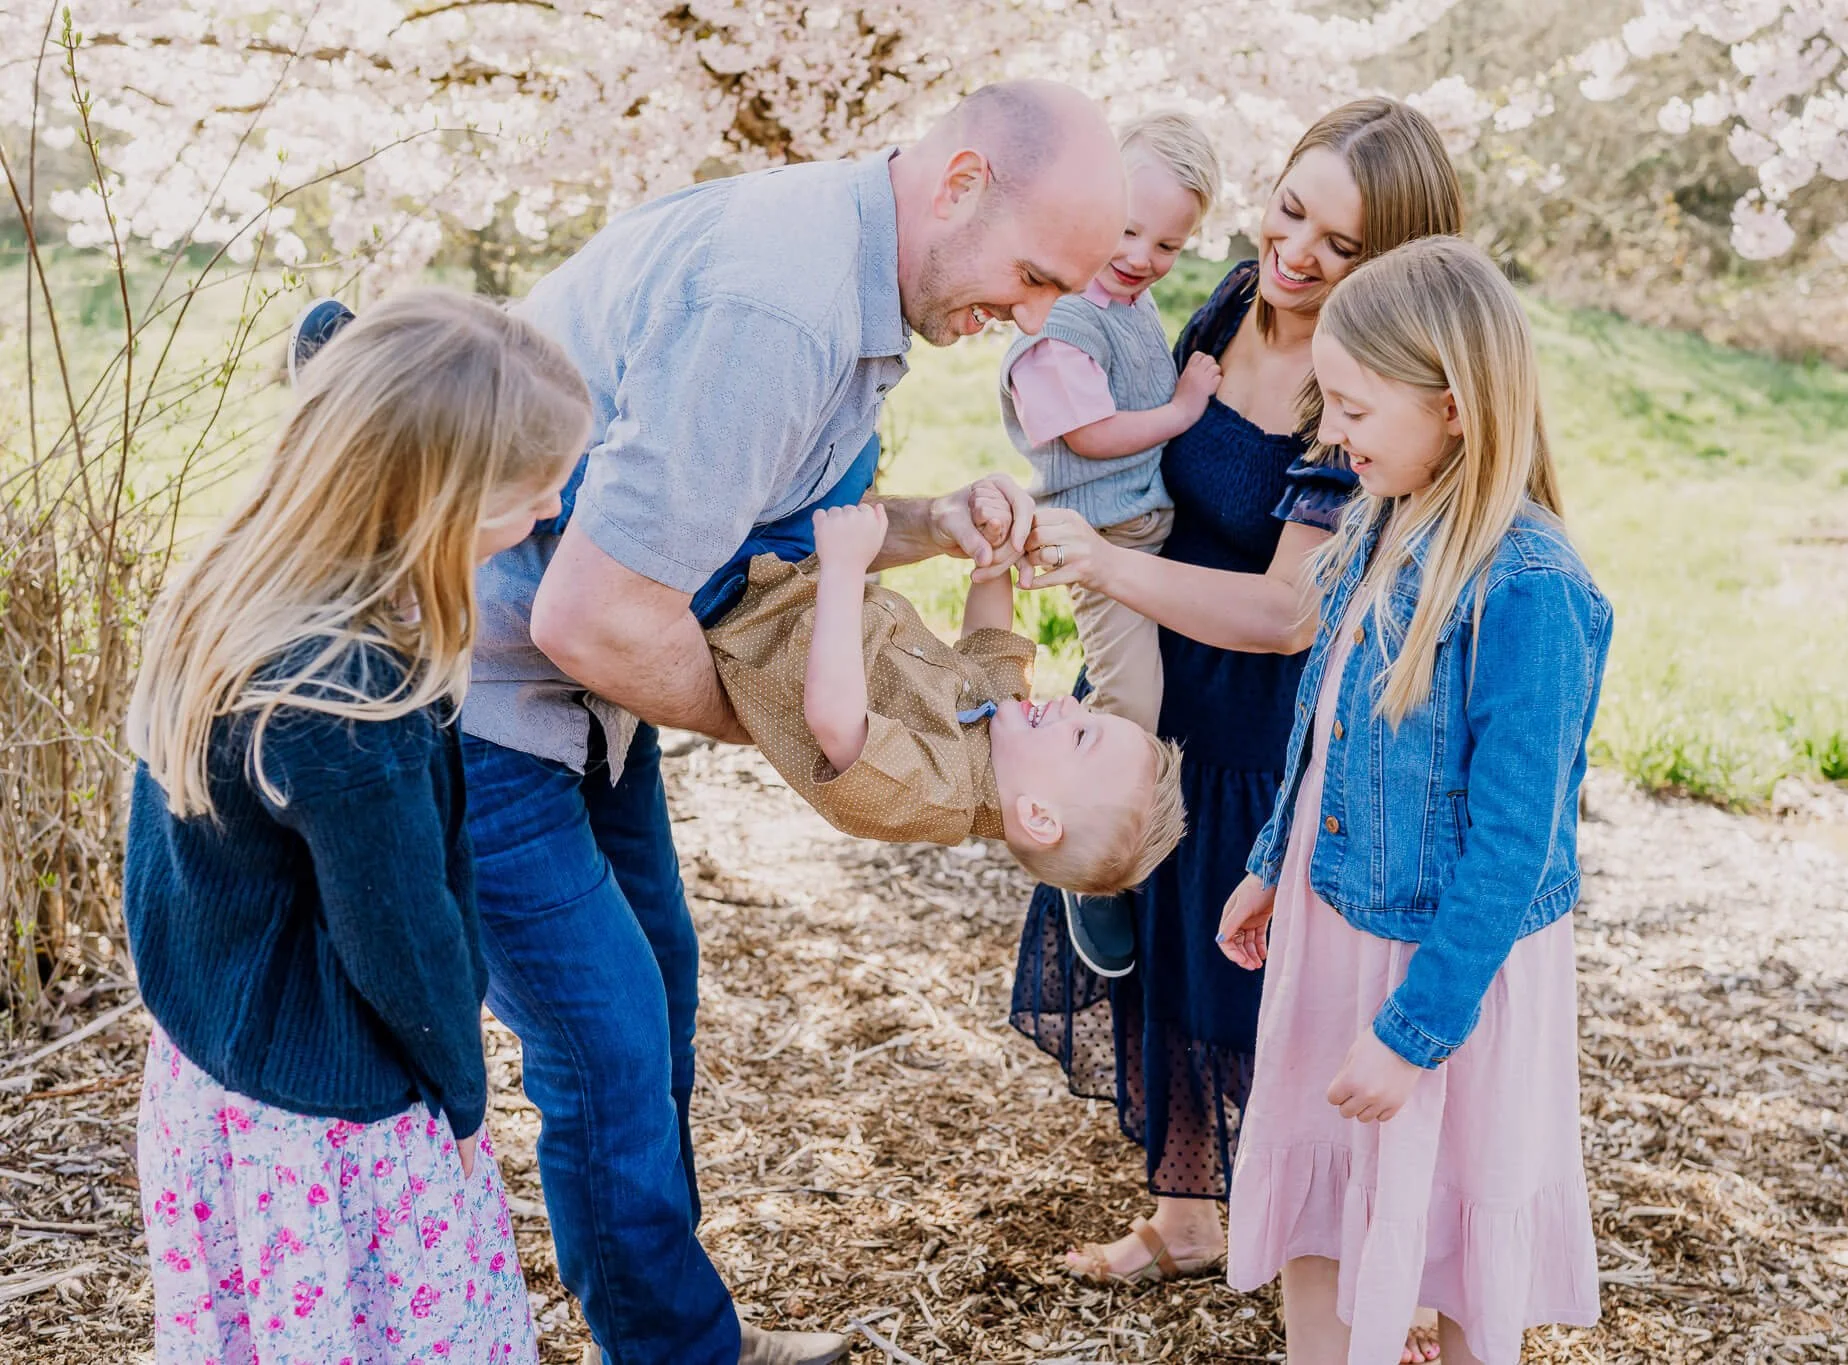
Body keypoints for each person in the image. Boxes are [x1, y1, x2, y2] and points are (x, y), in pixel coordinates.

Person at [453, 80, 1128, 1365]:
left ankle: (672, 1332)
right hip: (484, 695)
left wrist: (930, 529)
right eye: (1034, 277)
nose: (1028, 323)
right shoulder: (778, 308)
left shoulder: (853, 274)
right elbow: (592, 622)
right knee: (604, 1048)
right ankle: (678, 1354)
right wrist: (815, 736)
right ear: (961, 181)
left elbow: (761, 534)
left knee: (657, 997)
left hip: (583, 696)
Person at [1010, 98, 1464, 1362]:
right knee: (1158, 958)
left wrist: (1097, 568)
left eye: (1344, 243)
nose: (1301, 252)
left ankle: (1386, 1270)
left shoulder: (1355, 390)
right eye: (1292, 209)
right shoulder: (1218, 303)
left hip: (1269, 726)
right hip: (1165, 682)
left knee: (1275, 1005)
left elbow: (1281, 613)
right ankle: (1185, 1217)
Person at [125, 291, 589, 1365]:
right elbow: (402, 934)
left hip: (217, 1072)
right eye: (531, 493)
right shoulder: (349, 702)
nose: (554, 509)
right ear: (434, 503)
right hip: (329, 1117)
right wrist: (462, 1098)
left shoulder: (235, 590)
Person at [1216, 235, 1608, 1363]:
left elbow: (1513, 850)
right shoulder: (1383, 521)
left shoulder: (1531, 590)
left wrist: (1414, 1034)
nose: (1331, 436)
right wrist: (1268, 858)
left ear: (1452, 406)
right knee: (1323, 1200)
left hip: (1441, 971)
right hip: (1335, 918)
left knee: (1429, 1205)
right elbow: (1324, 717)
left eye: (1352, 408)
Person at [996, 111, 1222, 978]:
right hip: (1102, 536)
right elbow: (1085, 433)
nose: (1141, 256)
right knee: (1133, 700)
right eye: (1127, 228)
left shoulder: (1124, 299)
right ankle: (1088, 868)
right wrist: (1183, 411)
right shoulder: (1061, 325)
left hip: (1144, 526)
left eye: (1168, 243)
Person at [704, 501, 1185, 889]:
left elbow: (835, 719)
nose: (1071, 704)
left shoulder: (931, 792)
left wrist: (846, 568)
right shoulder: (1010, 730)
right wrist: (996, 549)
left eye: (1081, 736)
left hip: (738, 607)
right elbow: (989, 637)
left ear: (1038, 815)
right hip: (792, 570)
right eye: (1089, 711)